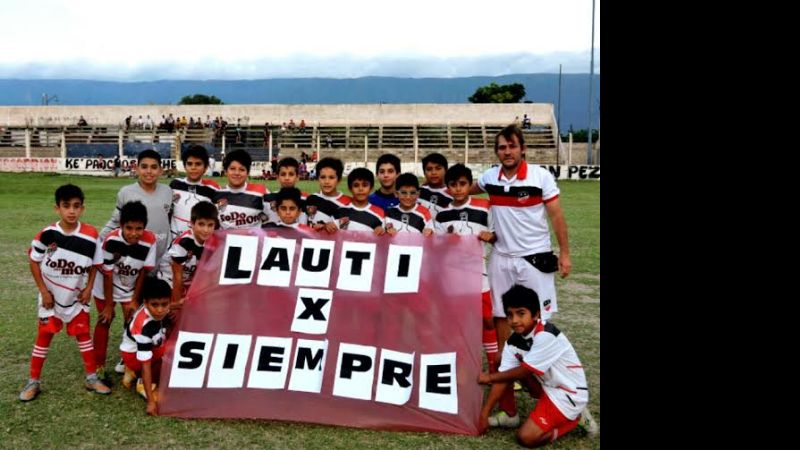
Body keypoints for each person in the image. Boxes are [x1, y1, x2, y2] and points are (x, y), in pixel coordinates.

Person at [472, 124, 572, 420]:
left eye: (512, 146)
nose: (507, 152)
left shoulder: (541, 177)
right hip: (501, 259)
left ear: (523, 148)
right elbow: (463, 188)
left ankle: (557, 393)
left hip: (534, 260)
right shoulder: (490, 177)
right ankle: (509, 395)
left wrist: (565, 253)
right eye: (502, 147)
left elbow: (557, 215)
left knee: (538, 325)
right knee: (502, 322)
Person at [19, 184, 111, 402]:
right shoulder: (47, 234)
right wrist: (43, 291)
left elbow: (95, 264)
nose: (71, 211)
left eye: (76, 206)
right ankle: (33, 382)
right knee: (44, 336)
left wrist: (89, 288)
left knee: (83, 335)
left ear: (83, 209)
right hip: (51, 297)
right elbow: (34, 261)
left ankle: (91, 378)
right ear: (57, 208)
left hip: (77, 298)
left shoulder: (91, 235)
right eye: (66, 206)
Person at [478, 285, 598, 445]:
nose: (514, 320)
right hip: (547, 385)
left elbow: (524, 371)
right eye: (510, 315)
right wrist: (484, 414)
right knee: (502, 363)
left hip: (568, 392)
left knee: (526, 438)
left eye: (521, 313)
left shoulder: (546, 335)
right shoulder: (513, 342)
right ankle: (510, 415)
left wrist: (489, 377)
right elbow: (504, 377)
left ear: (536, 314)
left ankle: (577, 418)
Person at [92, 201, 158, 381]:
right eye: (129, 228)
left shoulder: (150, 240)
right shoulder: (111, 240)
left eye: (139, 228)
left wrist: (135, 300)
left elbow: (144, 272)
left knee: (132, 322)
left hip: (129, 286)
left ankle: (128, 361)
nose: (134, 233)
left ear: (144, 227)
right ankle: (98, 366)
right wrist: (108, 305)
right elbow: (107, 274)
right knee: (104, 321)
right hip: (105, 286)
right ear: (121, 225)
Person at [100, 149, 172, 260]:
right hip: (134, 259)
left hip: (162, 257)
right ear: (137, 169)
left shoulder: (168, 191)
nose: (149, 171)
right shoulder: (126, 192)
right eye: (144, 167)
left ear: (160, 170)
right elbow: (115, 221)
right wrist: (98, 240)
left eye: (154, 167)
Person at [119, 277, 171, 415]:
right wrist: (151, 402)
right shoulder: (143, 327)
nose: (160, 310)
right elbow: (145, 364)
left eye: (164, 304)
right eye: (155, 305)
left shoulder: (156, 308)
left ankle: (131, 371)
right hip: (134, 356)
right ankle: (141, 382)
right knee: (171, 359)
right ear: (146, 303)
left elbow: (172, 305)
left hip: (137, 350)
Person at [156, 201, 218, 313]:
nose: (206, 230)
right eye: (201, 224)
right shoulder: (184, 243)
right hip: (168, 282)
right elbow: (177, 277)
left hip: (187, 282)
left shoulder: (212, 243)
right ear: (192, 223)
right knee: (174, 315)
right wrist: (176, 305)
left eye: (210, 225)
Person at [169, 145, 220, 240]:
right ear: (184, 166)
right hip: (175, 239)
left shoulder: (212, 188)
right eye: (189, 164)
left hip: (200, 241)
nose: (193, 167)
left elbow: (217, 217)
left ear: (205, 167)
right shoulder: (175, 184)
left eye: (198, 164)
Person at [216, 149, 268, 229]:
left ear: (248, 173)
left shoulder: (261, 191)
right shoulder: (216, 193)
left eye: (242, 169)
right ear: (225, 171)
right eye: (232, 168)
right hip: (225, 237)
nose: (237, 173)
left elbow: (271, 218)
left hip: (253, 237)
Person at [304, 157, 351, 232]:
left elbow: (346, 231)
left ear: (339, 180)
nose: (326, 181)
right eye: (323, 177)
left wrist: (328, 228)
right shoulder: (312, 199)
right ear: (318, 178)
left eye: (331, 177)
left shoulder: (347, 203)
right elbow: (305, 224)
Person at [337, 168, 385, 235]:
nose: (360, 189)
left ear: (371, 188)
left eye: (365, 185)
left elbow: (385, 236)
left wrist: (382, 231)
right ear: (350, 188)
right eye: (356, 185)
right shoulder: (341, 211)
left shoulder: (380, 213)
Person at [264, 157, 310, 224]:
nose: (287, 178)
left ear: (297, 177)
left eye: (291, 174)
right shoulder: (267, 199)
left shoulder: (307, 200)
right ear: (277, 177)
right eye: (283, 174)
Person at [418, 152, 453, 219]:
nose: (433, 172)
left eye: (438, 168)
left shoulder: (453, 195)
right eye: (429, 169)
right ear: (424, 172)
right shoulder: (417, 192)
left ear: (446, 170)